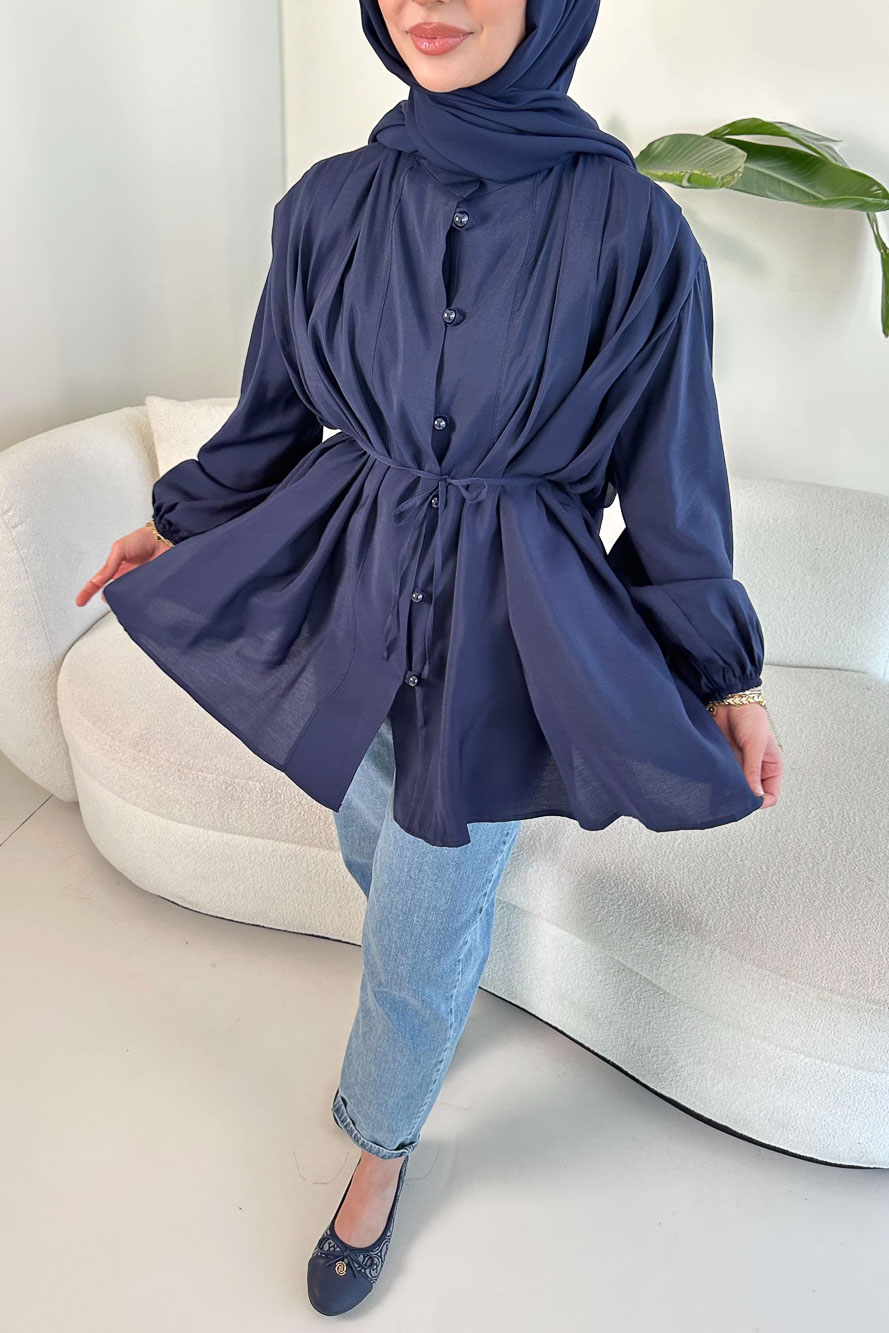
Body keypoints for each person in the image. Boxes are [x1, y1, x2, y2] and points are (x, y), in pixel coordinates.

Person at [76, 0, 784, 1315]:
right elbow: (272, 413)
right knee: (375, 841)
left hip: (509, 627)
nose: (422, 4)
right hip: (347, 586)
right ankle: (436, 987)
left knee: (424, 898)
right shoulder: (328, 207)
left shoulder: (633, 233)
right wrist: (173, 525)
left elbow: (672, 478)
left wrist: (724, 674)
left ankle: (380, 1150)